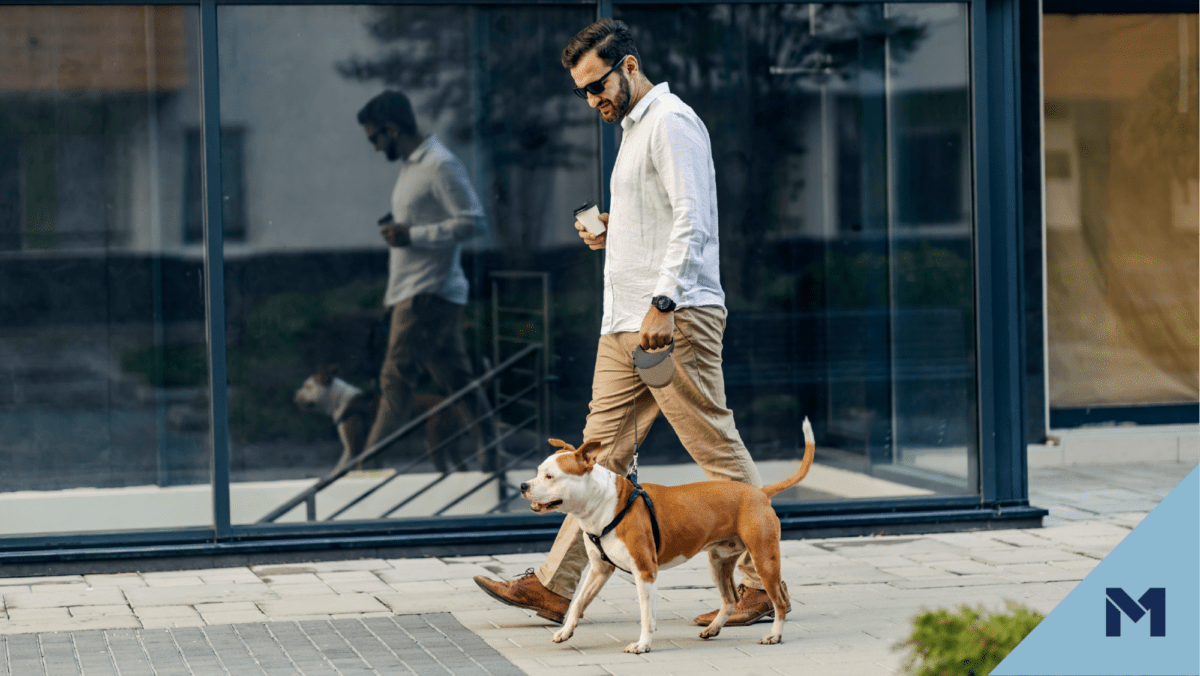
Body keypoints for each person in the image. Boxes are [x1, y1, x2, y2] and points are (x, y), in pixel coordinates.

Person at [473, 19, 783, 628]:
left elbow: (695, 218)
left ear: (630, 65)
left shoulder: (671, 122)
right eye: (583, 93)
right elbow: (663, 218)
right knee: (597, 452)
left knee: (715, 448)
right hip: (623, 320)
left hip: (675, 315)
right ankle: (554, 586)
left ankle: (758, 583)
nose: (594, 100)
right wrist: (618, 230)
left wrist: (664, 303)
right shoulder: (632, 131)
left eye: (599, 85)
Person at [357, 90, 497, 471]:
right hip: (417, 292)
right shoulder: (412, 167)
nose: (373, 146)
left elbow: (474, 221)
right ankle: (492, 457)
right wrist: (392, 295)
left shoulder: (440, 165)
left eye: (374, 137)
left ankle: (364, 469)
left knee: (394, 381)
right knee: (458, 380)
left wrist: (413, 235)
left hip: (428, 294)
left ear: (391, 128)